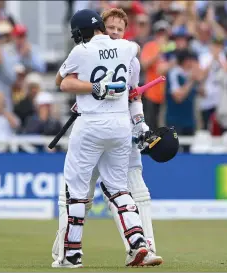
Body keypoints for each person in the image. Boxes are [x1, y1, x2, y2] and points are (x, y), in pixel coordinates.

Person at [52, 8, 163, 267]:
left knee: (76, 191)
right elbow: (135, 47)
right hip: (120, 127)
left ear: (81, 32)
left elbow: (61, 81)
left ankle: (71, 254)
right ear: (102, 27)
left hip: (90, 124)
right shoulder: (126, 48)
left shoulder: (81, 51)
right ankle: (138, 243)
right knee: (118, 188)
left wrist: (92, 87)